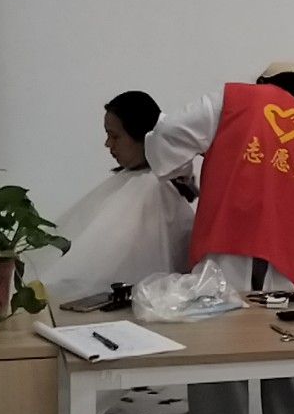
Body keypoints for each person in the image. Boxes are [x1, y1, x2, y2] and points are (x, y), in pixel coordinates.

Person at [144, 61, 294, 414]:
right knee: (286, 347)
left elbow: (167, 133)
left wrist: (182, 176)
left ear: (262, 83)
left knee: (217, 349)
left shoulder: (229, 101)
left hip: (228, 242)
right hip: (286, 254)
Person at [29, 90, 195, 303]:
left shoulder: (154, 188)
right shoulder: (139, 181)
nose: (108, 144)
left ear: (142, 136)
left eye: (115, 136)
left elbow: (114, 263)